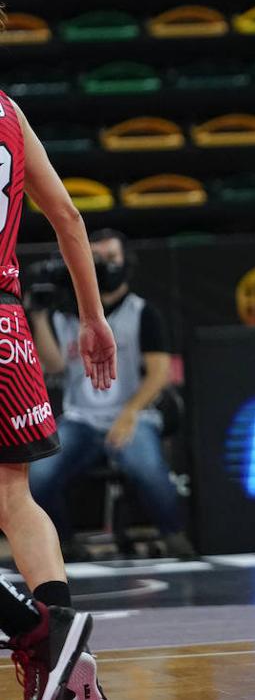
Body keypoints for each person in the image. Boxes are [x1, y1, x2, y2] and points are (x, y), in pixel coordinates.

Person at [0, 41, 115, 697]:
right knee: (13, 498)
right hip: (7, 324)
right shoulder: (10, 111)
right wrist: (92, 317)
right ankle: (66, 660)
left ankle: (36, 630)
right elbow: (67, 216)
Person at [28, 229, 191, 562]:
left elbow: (159, 373)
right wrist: (39, 315)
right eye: (95, 259)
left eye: (109, 258)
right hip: (82, 418)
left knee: (147, 468)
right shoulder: (67, 313)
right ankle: (63, 543)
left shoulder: (141, 312)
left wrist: (129, 413)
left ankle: (174, 534)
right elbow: (54, 364)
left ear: (125, 264)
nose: (103, 266)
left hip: (132, 415)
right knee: (38, 473)